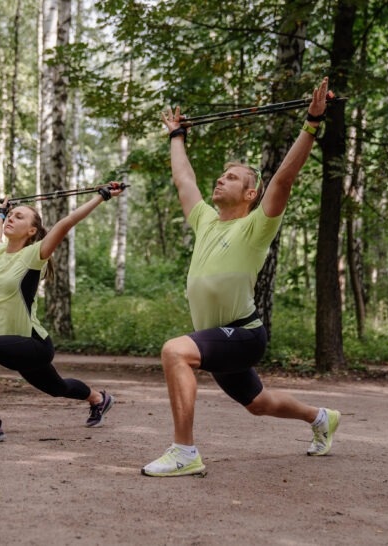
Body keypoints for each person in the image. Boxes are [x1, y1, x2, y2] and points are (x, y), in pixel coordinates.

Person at [141, 77, 341, 476]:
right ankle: (321, 418)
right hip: (218, 337)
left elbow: (283, 178)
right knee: (257, 403)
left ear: (251, 194)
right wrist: (176, 136)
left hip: (244, 334)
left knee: (175, 351)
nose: (221, 179)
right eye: (222, 175)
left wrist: (312, 123)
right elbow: (184, 179)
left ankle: (185, 452)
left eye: (232, 177)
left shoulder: (256, 226)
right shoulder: (205, 221)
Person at [0, 183, 124, 446]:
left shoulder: (33, 255)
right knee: (57, 388)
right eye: (12, 216)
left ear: (32, 231)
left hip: (34, 343)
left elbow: (66, 222)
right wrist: (0, 212)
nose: (12, 219)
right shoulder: (1, 252)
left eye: (20, 217)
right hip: (13, 346)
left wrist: (101, 197)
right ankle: (98, 399)